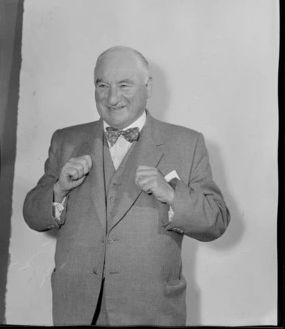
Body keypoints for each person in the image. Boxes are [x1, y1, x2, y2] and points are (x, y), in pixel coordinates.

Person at [23, 46, 230, 326]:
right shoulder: (66, 140)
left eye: (124, 85)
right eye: (102, 85)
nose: (112, 97)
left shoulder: (186, 143)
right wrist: (58, 190)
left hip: (152, 311)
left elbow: (216, 222)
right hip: (76, 311)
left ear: (148, 87)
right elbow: (33, 216)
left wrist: (171, 194)